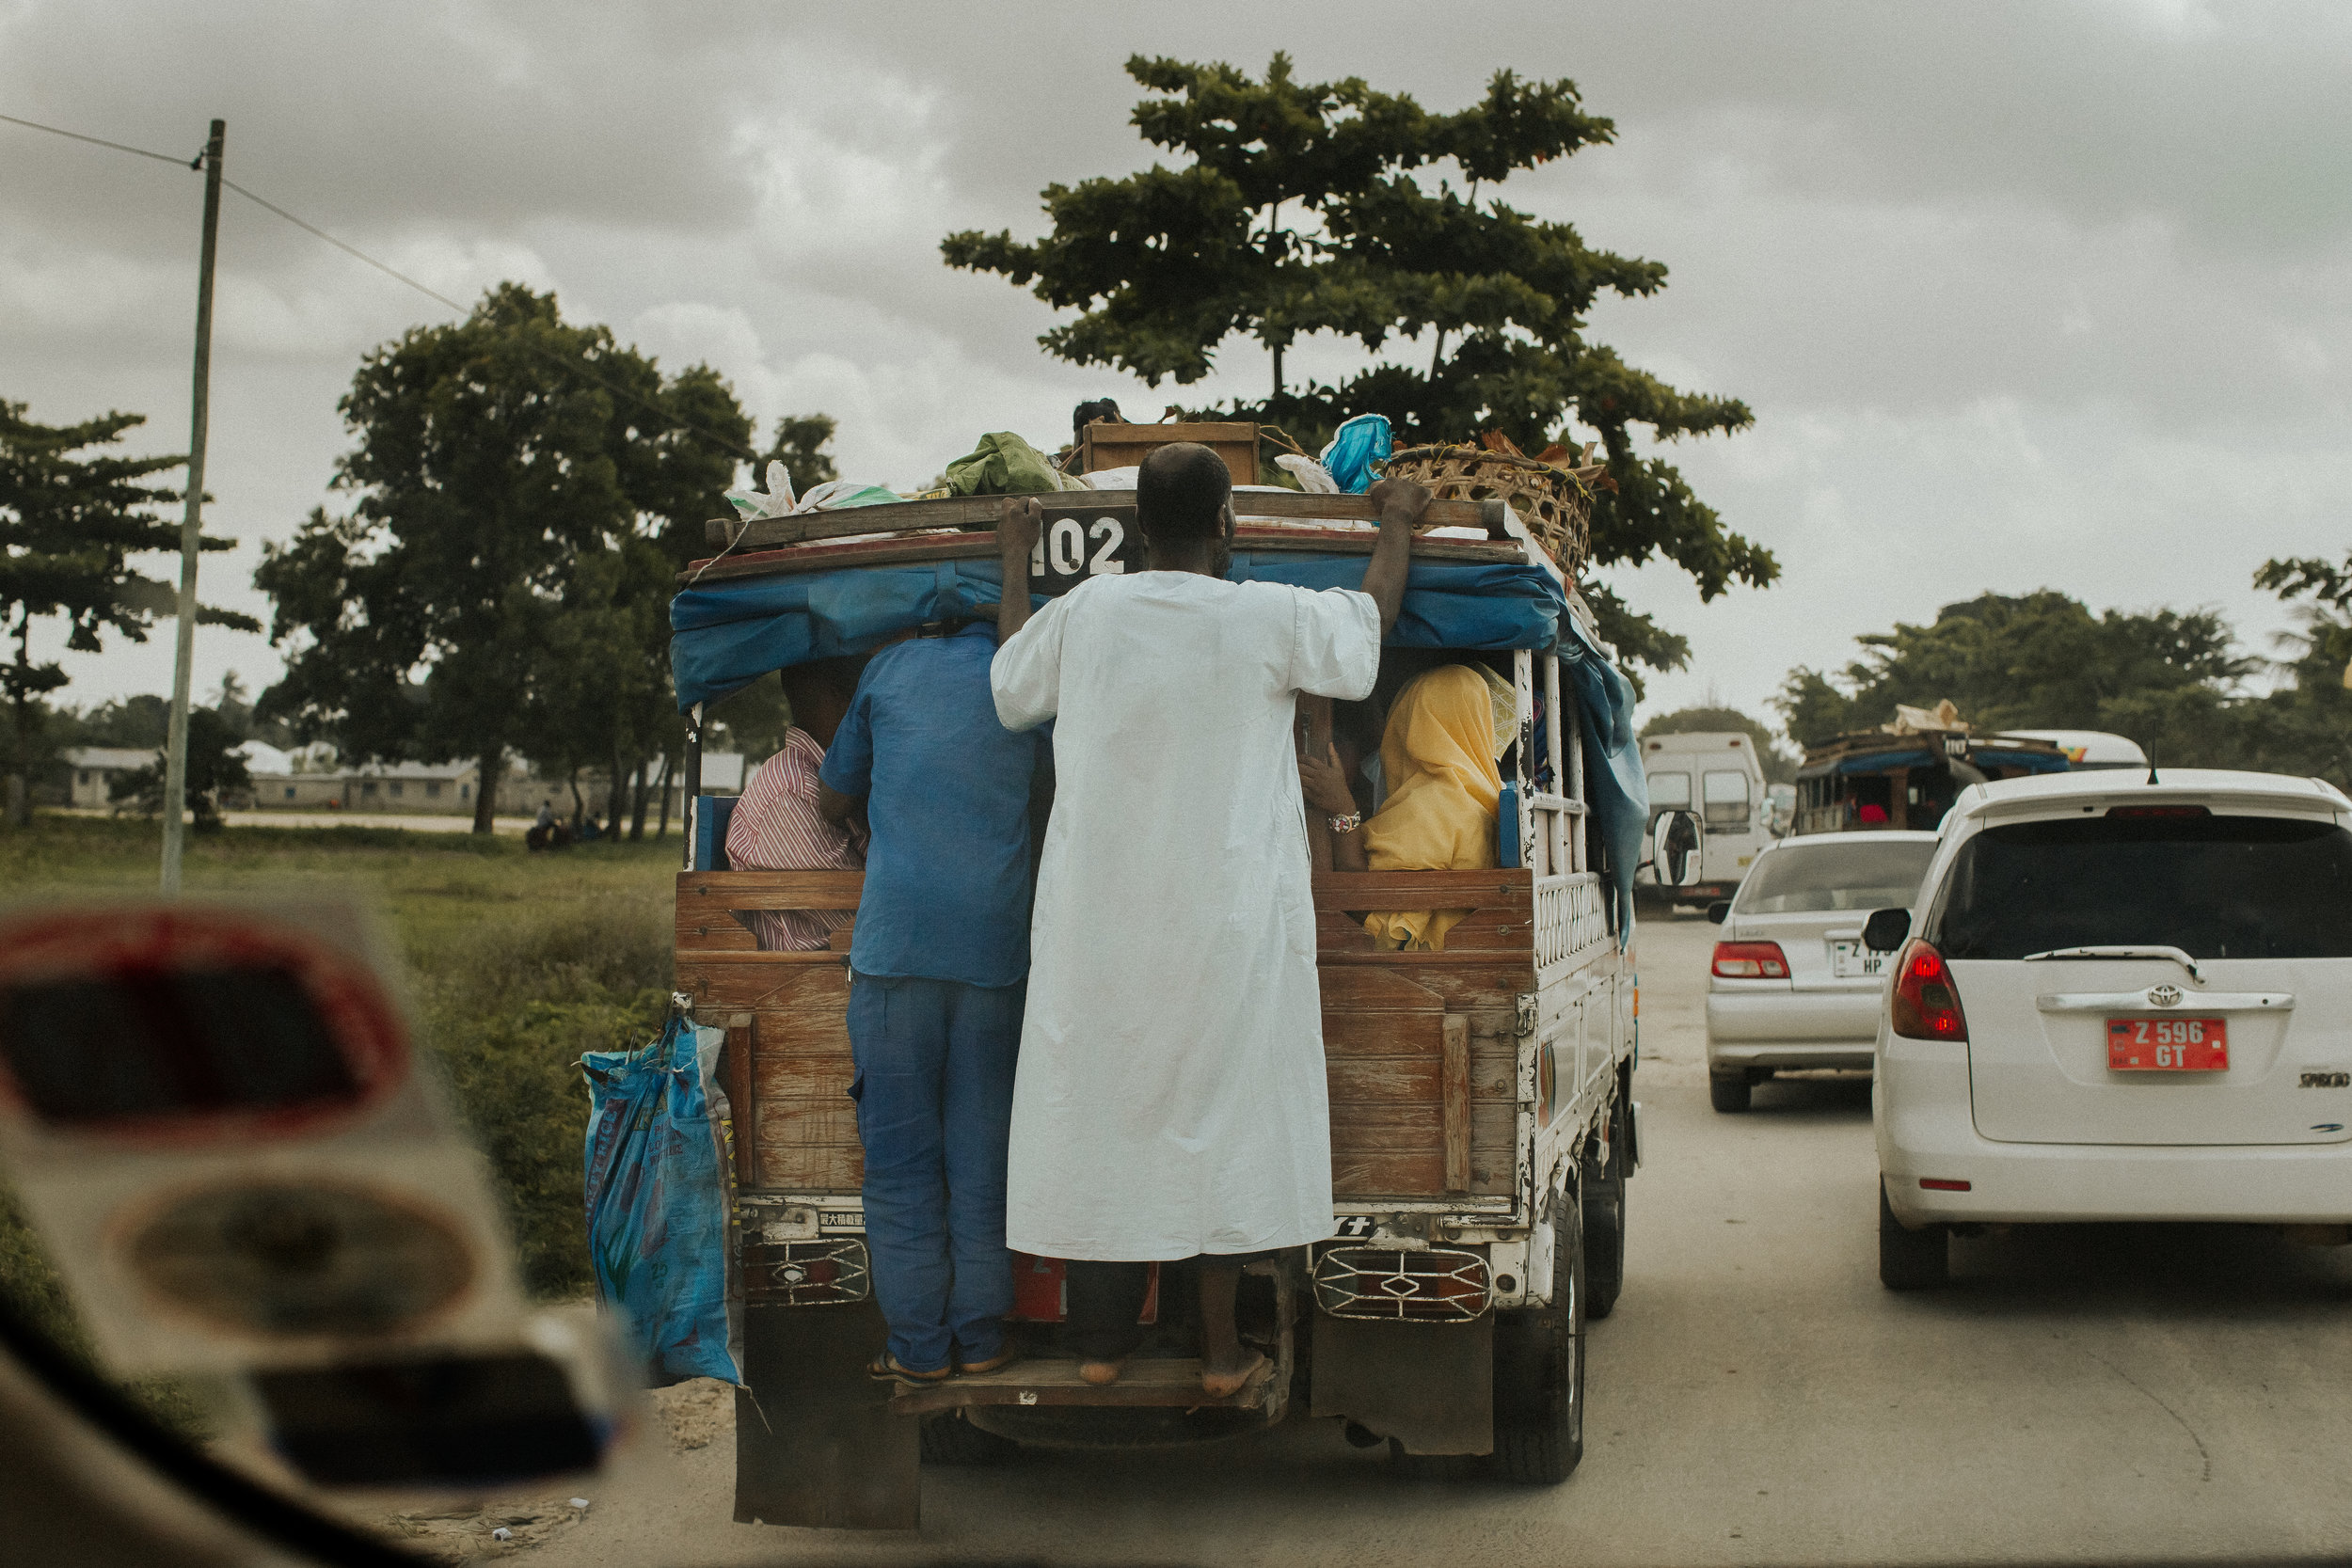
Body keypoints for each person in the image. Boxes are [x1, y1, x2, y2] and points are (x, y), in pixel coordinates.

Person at [990, 442, 1424, 1397]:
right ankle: (1222, 1352)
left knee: (1104, 1113)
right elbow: (1366, 629)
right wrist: (1394, 519)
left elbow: (1010, 684)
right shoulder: (1265, 613)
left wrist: (1015, 555)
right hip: (1227, 929)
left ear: (1139, 528)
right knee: (1218, 1128)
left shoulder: (1090, 610)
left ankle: (1099, 1345)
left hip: (1100, 932)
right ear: (1227, 523)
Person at [814, 622, 1047, 1386]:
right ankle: (980, 1341)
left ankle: (918, 1352)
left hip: (895, 956)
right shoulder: (1025, 676)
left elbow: (832, 797)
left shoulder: (886, 668)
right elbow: (1049, 801)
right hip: (993, 957)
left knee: (902, 1168)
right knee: (980, 1163)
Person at [1301, 662, 1515, 948]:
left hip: (1418, 971)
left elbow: (1367, 905)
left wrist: (1342, 807)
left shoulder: (1434, 802)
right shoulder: (1482, 797)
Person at [725, 660, 864, 950]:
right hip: (806, 982)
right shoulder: (793, 793)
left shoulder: (824, 776)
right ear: (836, 704)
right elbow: (866, 920)